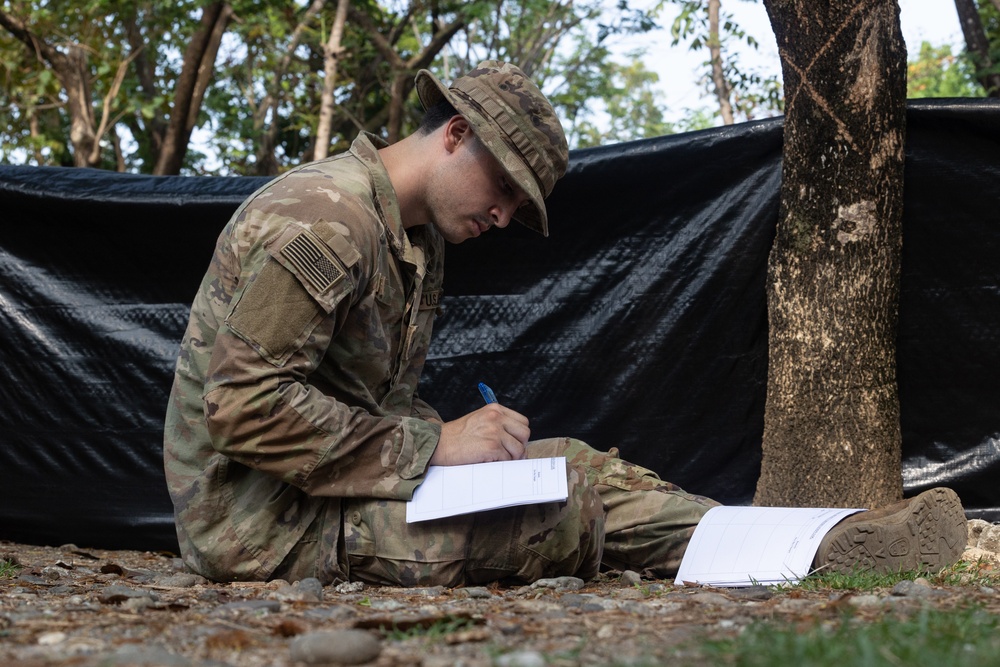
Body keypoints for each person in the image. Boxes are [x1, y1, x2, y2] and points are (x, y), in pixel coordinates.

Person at [163, 61, 968, 586]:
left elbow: (356, 400)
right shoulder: (324, 219)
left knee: (574, 463)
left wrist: (449, 444)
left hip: (334, 490)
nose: (504, 215)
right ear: (453, 133)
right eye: (505, 187)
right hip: (262, 526)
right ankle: (814, 557)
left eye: (519, 205)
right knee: (565, 506)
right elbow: (243, 408)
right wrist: (437, 443)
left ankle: (833, 540)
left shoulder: (410, 236)